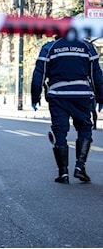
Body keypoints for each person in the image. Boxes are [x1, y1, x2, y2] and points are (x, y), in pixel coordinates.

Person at [31, 36, 103, 184]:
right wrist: (101, 97)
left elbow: (39, 74)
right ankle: (80, 167)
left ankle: (63, 172)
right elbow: (97, 76)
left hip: (58, 96)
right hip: (81, 96)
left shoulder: (49, 48)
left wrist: (35, 96)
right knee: (84, 128)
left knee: (60, 131)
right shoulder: (87, 47)